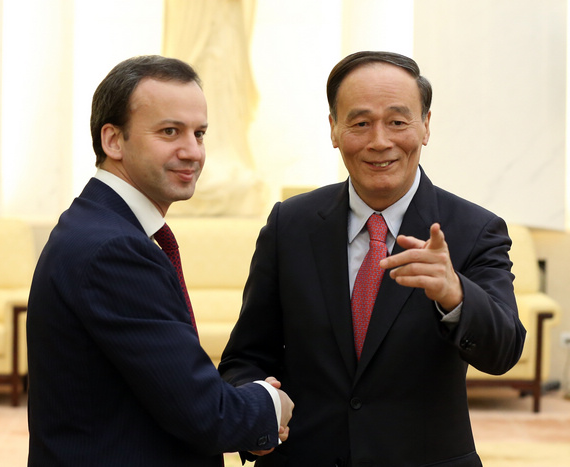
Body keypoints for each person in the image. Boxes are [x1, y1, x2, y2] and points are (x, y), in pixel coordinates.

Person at [219, 51, 526, 466]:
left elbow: (503, 351)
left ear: (426, 126)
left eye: (398, 122)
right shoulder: (289, 224)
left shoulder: (475, 229)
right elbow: (247, 356)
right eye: (360, 123)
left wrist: (456, 296)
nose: (379, 141)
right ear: (333, 129)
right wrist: (256, 414)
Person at [26, 55, 293, 467]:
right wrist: (268, 403)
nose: (193, 151)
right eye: (170, 132)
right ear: (113, 141)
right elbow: (207, 414)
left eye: (199, 133)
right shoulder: (113, 249)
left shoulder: (97, 226)